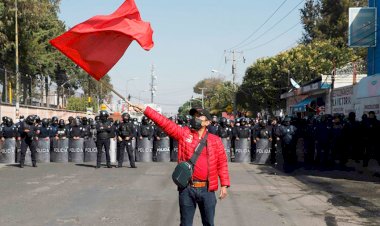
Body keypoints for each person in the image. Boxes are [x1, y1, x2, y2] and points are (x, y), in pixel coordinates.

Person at [133, 104, 230, 226]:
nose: (195, 119)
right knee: (185, 223)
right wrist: (145, 110)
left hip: (207, 189)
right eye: (194, 116)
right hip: (187, 188)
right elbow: (165, 123)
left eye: (199, 117)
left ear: (207, 122)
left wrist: (224, 185)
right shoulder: (184, 134)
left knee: (209, 223)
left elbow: (222, 163)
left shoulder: (215, 140)